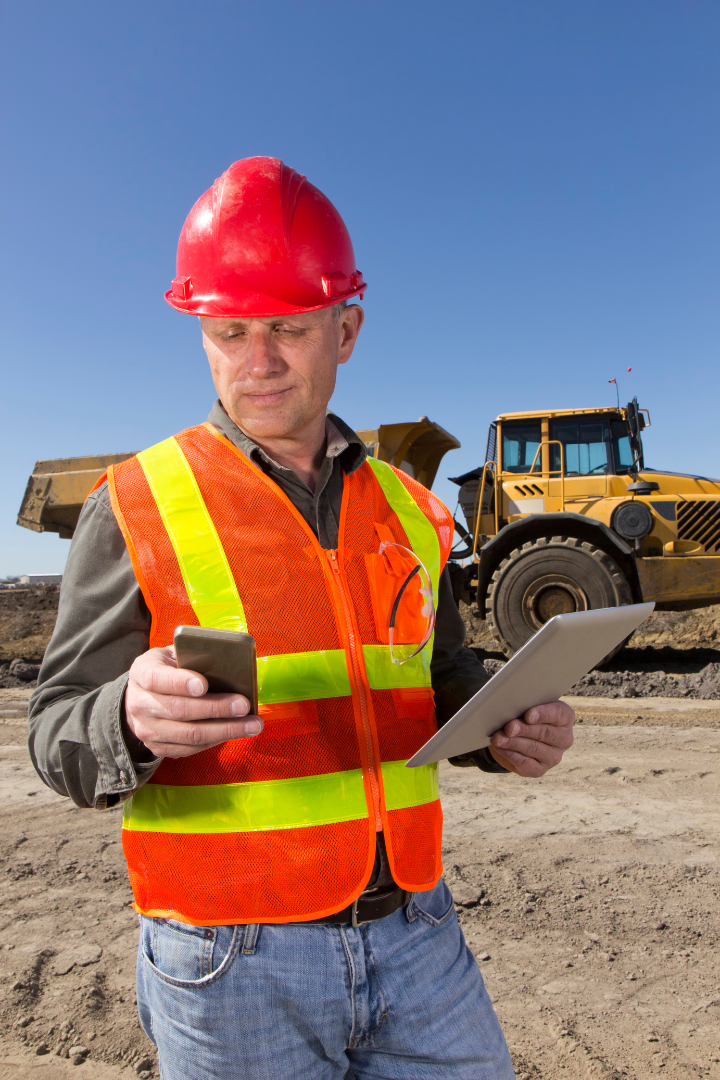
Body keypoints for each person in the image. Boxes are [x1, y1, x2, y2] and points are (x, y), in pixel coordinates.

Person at [29, 157, 575, 1080]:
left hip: (416, 935)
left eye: (287, 326)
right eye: (230, 330)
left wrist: (504, 730)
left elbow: (446, 687)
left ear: (346, 329)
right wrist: (126, 716)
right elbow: (56, 734)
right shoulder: (135, 503)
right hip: (230, 965)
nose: (259, 359)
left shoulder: (413, 510)